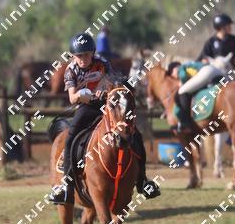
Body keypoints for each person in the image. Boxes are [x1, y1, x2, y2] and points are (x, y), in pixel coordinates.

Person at [49, 33, 161, 205]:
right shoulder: (70, 71)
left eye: (86, 55)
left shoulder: (102, 63)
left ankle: (143, 182)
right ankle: (66, 185)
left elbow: (114, 81)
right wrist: (87, 95)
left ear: (93, 53)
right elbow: (72, 98)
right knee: (71, 135)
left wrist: (112, 90)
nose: (83, 59)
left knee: (135, 134)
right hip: (87, 107)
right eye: (79, 56)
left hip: (108, 105)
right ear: (73, 56)